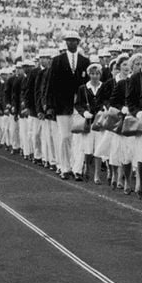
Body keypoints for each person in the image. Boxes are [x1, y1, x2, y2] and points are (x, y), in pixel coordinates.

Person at [43, 30, 91, 179]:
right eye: (68, 40)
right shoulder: (57, 61)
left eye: (74, 40)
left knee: (78, 138)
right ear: (65, 43)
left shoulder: (85, 61)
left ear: (78, 42)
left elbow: (87, 85)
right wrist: (49, 105)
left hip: (79, 106)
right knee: (64, 137)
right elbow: (51, 85)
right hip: (62, 105)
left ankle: (76, 169)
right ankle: (65, 167)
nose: (71, 43)